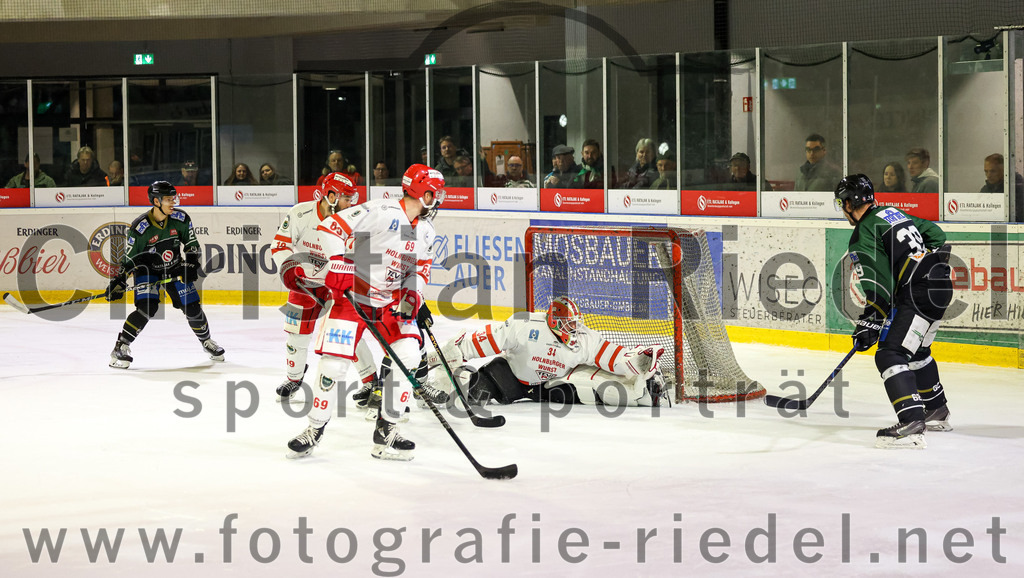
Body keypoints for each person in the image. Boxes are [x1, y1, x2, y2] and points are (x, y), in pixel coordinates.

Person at [285, 164, 445, 461]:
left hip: (389, 303)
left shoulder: (426, 230)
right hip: (354, 297)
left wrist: (414, 294)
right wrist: (340, 265)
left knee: (409, 354)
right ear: (422, 191)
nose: (439, 199)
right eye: (436, 193)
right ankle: (313, 429)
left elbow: (420, 269)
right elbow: (330, 227)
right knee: (333, 365)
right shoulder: (382, 210)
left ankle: (387, 430)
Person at [834, 174, 953, 449]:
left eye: (842, 203)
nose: (842, 210)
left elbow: (879, 287)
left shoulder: (863, 234)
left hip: (918, 292)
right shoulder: (892, 213)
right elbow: (937, 235)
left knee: (890, 353)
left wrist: (869, 323)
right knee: (917, 350)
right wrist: (917, 263)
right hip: (940, 285)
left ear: (850, 203)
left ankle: (912, 423)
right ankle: (936, 411)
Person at [424, 297, 667, 408]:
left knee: (589, 389)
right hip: (510, 377)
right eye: (569, 324)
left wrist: (638, 361)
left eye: (575, 323)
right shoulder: (524, 325)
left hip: (549, 384)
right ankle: (435, 388)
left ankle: (644, 393)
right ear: (554, 322)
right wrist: (449, 354)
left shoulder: (583, 339)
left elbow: (611, 355)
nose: (575, 328)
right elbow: (482, 342)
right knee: (474, 394)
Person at [271, 172, 380, 403]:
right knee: (295, 335)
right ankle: (294, 378)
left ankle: (371, 381)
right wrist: (290, 267)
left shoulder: (353, 221)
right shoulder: (300, 213)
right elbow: (280, 245)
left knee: (347, 334)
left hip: (337, 286)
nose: (351, 203)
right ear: (330, 196)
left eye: (352, 198)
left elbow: (357, 258)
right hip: (304, 283)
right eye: (346, 198)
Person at [105, 181, 225, 369]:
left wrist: (191, 264)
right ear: (156, 201)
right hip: (148, 271)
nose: (173, 202)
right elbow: (129, 260)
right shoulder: (140, 228)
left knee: (192, 307)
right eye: (168, 199)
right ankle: (120, 347)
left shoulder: (181, 219)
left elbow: (192, 245)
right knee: (147, 308)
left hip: (174, 268)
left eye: (173, 198)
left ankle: (207, 341)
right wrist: (119, 280)